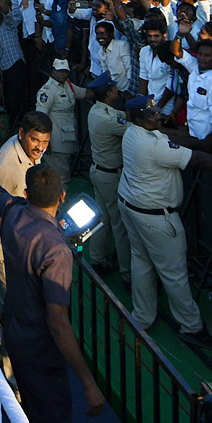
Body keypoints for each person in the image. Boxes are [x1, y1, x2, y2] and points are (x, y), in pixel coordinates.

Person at [0, 142, 105, 423]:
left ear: (28, 193)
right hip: (42, 354)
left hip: (16, 337)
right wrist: (88, 382)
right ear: (62, 197)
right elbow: (58, 322)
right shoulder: (57, 250)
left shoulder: (13, 211)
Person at [117, 96, 212, 349]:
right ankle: (191, 327)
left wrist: (203, 142)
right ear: (139, 119)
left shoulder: (132, 132)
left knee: (141, 260)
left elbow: (171, 139)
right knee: (174, 273)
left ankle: (143, 316)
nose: (157, 116)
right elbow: (194, 159)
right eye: (151, 114)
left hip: (131, 206)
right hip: (155, 217)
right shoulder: (152, 146)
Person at [0, 111, 52, 383]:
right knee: (18, 311)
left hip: (15, 247)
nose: (40, 148)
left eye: (45, 142)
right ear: (21, 134)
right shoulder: (9, 166)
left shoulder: (27, 152)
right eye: (35, 141)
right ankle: (11, 379)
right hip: (5, 249)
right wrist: (32, 227)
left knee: (4, 295)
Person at [83, 73, 130, 282]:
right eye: (115, 89)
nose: (117, 92)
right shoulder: (107, 119)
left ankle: (98, 258)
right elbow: (131, 126)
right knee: (119, 224)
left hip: (99, 172)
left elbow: (122, 115)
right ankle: (127, 271)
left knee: (102, 218)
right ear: (110, 92)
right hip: (111, 176)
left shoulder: (97, 111)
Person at [35, 58, 90, 187]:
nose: (63, 74)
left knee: (61, 175)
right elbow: (40, 117)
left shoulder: (68, 85)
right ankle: (60, 206)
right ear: (53, 71)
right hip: (55, 140)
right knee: (60, 178)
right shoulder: (47, 91)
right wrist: (44, 142)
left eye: (65, 71)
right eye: (60, 72)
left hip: (67, 137)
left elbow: (85, 93)